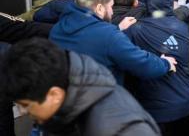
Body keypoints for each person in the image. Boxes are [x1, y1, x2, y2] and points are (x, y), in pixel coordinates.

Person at [0, 38, 162, 136]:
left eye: (26, 106)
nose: (23, 113)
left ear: (54, 95)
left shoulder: (125, 130)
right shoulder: (59, 93)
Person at [49, 0, 177, 86]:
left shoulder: (57, 29)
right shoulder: (108, 36)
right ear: (99, 8)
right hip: (102, 104)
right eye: (111, 6)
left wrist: (117, 29)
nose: (112, 11)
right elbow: (141, 63)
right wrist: (165, 64)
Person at [124, 0, 189, 136]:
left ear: (149, 2)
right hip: (184, 100)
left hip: (154, 105)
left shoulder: (136, 30)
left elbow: (118, 54)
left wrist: (120, 29)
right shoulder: (184, 28)